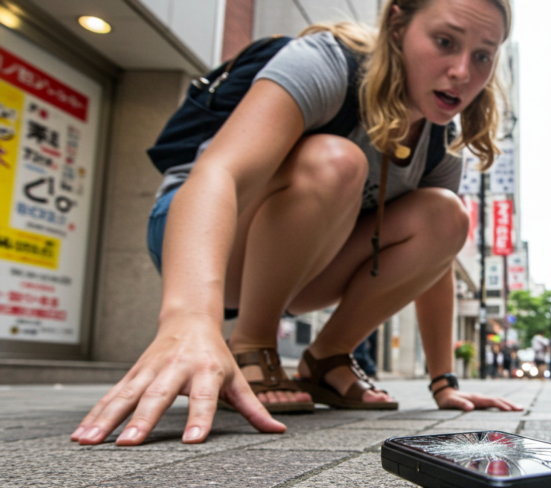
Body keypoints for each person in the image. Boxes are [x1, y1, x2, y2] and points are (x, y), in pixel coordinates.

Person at [72, 0, 522, 447]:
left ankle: (328, 359)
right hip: (196, 234)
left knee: (446, 214)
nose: (462, 71)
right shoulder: (328, 62)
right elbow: (219, 173)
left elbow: (436, 262)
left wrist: (443, 382)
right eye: (444, 42)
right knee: (336, 162)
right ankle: (251, 344)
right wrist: (189, 319)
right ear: (398, 25)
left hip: (303, 269)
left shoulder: (440, 142)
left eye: (483, 56)